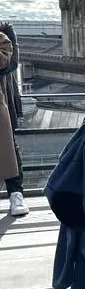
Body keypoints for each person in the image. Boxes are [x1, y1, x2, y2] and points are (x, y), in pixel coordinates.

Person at [0, 20, 26, 216]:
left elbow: (11, 64)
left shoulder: (5, 28)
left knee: (9, 145)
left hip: (4, 95)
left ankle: (15, 193)